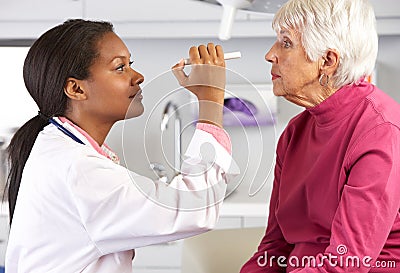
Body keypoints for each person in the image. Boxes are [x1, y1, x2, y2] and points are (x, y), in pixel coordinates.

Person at [5, 19, 238, 272]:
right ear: (76, 88)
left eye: (131, 65)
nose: (138, 77)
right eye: (120, 68)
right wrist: (212, 98)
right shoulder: (79, 168)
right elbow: (194, 208)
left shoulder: (59, 147)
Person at [240, 0, 400, 272]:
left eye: (286, 43)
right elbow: (274, 247)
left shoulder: (380, 132)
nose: (270, 54)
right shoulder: (294, 133)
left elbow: (346, 263)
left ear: (327, 61)